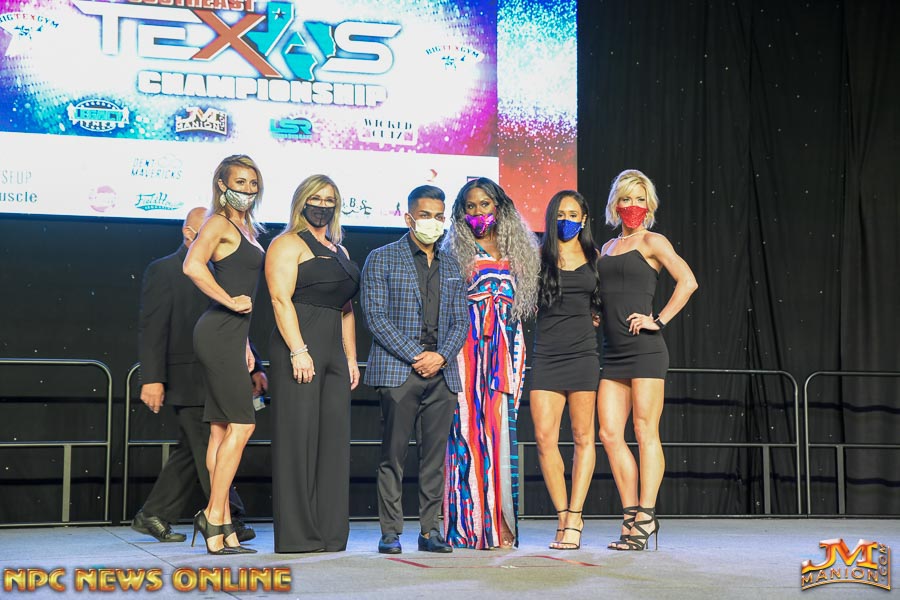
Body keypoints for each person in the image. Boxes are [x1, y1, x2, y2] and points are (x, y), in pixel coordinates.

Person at [133, 206, 263, 544]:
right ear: (188, 232)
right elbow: (152, 328)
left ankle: (156, 513)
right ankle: (225, 517)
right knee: (207, 440)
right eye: (202, 228)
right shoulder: (164, 269)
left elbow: (235, 320)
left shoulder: (224, 265)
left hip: (223, 363)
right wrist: (152, 377)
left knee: (194, 449)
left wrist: (256, 364)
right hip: (187, 375)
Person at [361, 185, 468, 555]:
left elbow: (461, 321)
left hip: (442, 374)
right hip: (398, 371)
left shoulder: (452, 264)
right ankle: (390, 532)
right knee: (393, 456)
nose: (432, 222)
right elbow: (375, 317)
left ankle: (430, 531)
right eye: (425, 215)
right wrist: (417, 355)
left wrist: (440, 356)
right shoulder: (382, 258)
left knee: (434, 459)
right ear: (409, 218)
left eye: (438, 216)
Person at [597, 169, 698, 551]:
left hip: (645, 350)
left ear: (649, 204)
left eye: (640, 199)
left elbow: (688, 281)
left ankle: (646, 516)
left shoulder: (654, 241)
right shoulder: (607, 247)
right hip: (612, 351)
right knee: (609, 434)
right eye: (626, 198)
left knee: (644, 431)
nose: (633, 206)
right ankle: (630, 515)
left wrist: (659, 320)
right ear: (616, 203)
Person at [441, 177, 540, 549]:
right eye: (471, 206)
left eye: (485, 204)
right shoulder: (455, 250)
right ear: (462, 212)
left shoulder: (519, 251)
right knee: (466, 429)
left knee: (500, 431)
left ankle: (500, 526)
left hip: (506, 347)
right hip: (467, 349)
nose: (478, 212)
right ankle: (467, 525)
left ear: (499, 207)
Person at [266, 174, 360, 553]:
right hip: (299, 348)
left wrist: (351, 358)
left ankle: (330, 533)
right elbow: (279, 299)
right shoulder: (286, 243)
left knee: (333, 443)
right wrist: (297, 349)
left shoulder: (341, 251)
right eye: (316, 198)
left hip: (335, 354)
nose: (322, 205)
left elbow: (346, 309)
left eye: (329, 199)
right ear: (301, 201)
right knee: (297, 440)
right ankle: (298, 535)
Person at [183, 155, 266, 555]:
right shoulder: (217, 222)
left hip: (233, 337)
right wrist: (229, 302)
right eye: (240, 182)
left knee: (220, 431)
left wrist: (246, 344)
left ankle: (224, 526)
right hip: (217, 332)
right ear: (222, 184)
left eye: (253, 183)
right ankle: (214, 515)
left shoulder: (247, 228)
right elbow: (192, 266)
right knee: (243, 425)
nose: (247, 189)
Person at [531, 191, 602, 550]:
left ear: (584, 219)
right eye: (560, 214)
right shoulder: (537, 256)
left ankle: (575, 516)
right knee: (545, 439)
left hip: (583, 355)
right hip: (546, 355)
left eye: (573, 214)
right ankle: (563, 515)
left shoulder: (595, 257)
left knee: (583, 437)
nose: (567, 220)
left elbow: (606, 301)